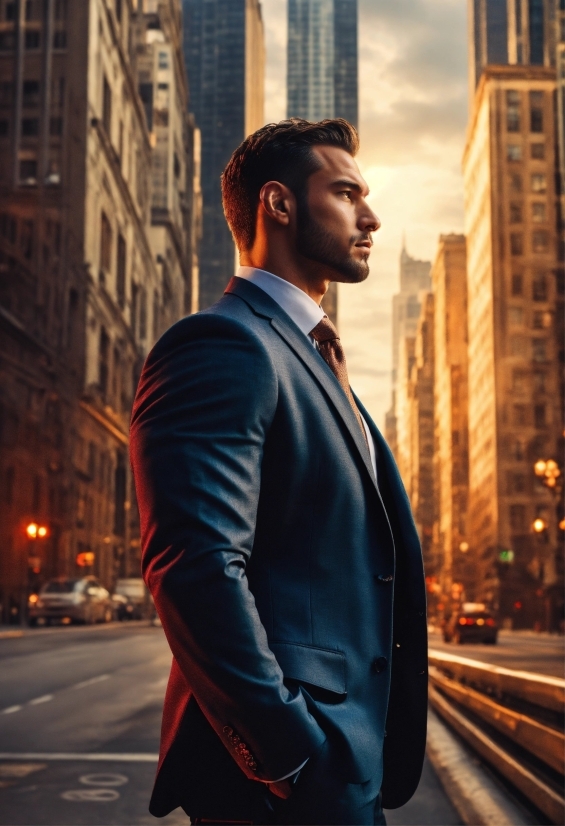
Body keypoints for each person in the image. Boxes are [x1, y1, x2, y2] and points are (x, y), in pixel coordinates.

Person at [130, 118, 427, 826]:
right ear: (279, 204)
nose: (371, 217)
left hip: (346, 769)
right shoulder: (223, 346)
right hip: (279, 784)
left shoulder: (314, 360)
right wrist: (285, 752)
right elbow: (195, 566)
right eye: (347, 192)